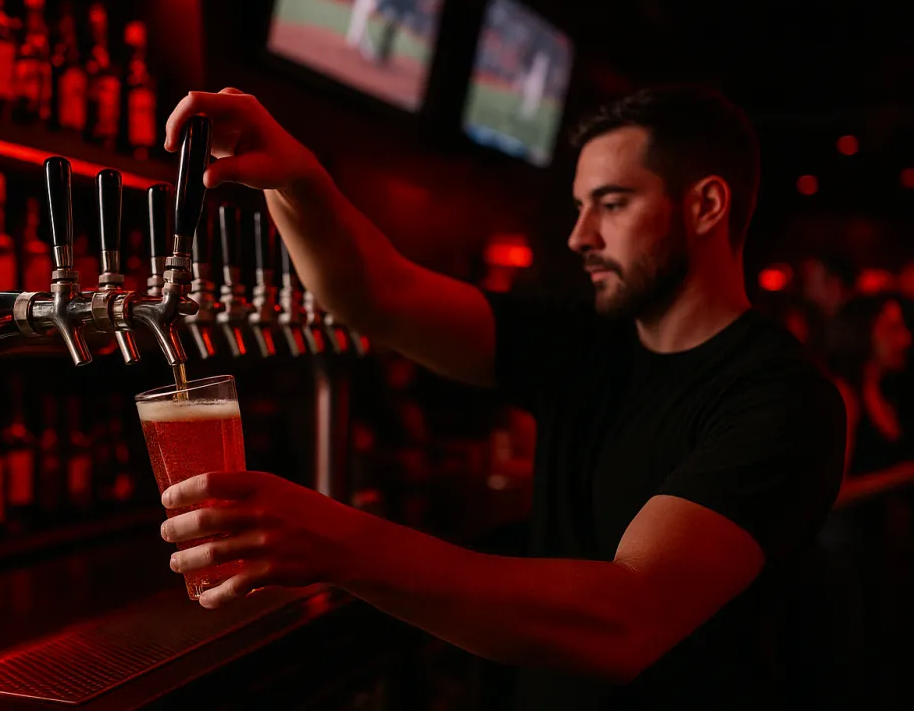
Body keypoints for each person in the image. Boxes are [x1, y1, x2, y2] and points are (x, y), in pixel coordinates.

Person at [158, 85, 846, 708]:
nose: (580, 236)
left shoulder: (782, 400)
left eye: (611, 204)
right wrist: (300, 180)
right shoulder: (588, 338)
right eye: (581, 207)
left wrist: (338, 542)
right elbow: (380, 296)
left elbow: (626, 620)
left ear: (706, 206)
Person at [825, 293, 912, 474]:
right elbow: (832, 491)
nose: (906, 339)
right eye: (893, 329)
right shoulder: (844, 397)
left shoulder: (892, 389)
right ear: (863, 333)